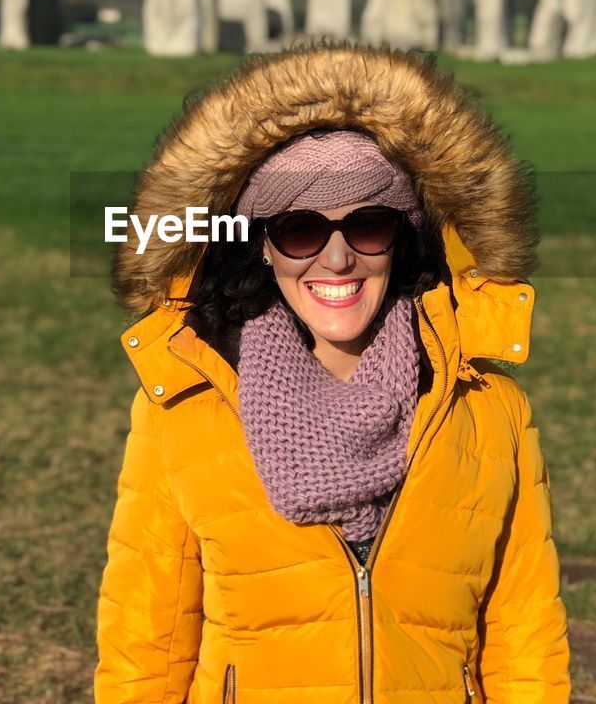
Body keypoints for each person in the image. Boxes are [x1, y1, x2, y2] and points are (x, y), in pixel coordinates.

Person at [96, 43, 569, 704]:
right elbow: (145, 642)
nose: (338, 259)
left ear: (402, 236)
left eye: (369, 225)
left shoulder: (488, 410)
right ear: (261, 246)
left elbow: (524, 634)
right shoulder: (183, 406)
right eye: (299, 231)